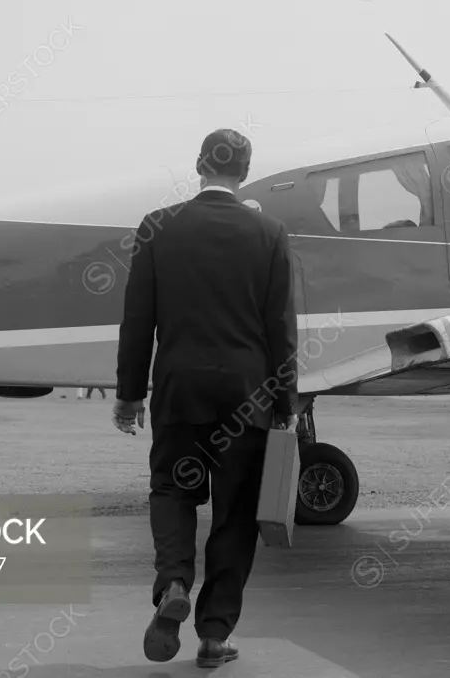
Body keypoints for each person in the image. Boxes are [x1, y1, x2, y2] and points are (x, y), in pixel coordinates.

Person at [112, 128, 299, 667]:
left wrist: (128, 395)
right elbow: (280, 327)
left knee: (172, 491)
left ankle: (173, 582)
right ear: (244, 172)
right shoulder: (270, 232)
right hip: (247, 394)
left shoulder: (157, 227)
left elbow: (137, 321)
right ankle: (214, 635)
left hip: (179, 388)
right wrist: (285, 403)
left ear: (198, 165)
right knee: (235, 515)